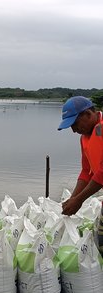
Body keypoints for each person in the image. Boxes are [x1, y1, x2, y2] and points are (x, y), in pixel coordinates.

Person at [58, 95, 103, 254]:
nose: (73, 130)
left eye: (74, 124)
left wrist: (79, 200)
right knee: (100, 239)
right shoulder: (85, 137)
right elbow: (86, 172)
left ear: (88, 114)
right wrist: (73, 198)